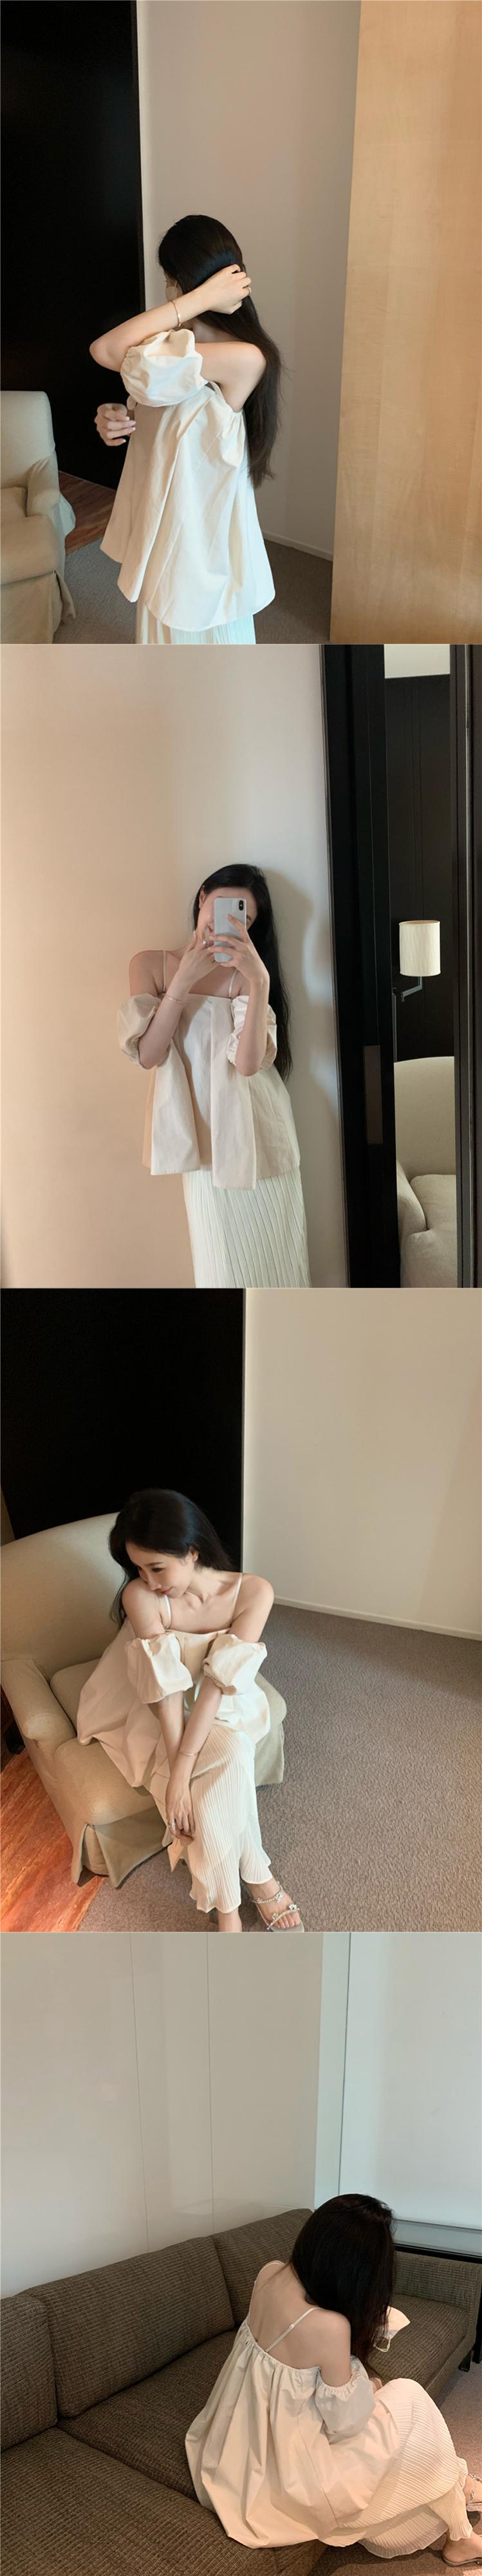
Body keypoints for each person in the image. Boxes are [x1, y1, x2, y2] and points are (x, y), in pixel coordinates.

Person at [186, 2194, 482, 2559]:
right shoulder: (329, 2326)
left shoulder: (269, 2273)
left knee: (397, 2407)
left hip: (237, 2445)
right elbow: (346, 2424)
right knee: (411, 2399)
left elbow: (285, 2371)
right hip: (287, 2473)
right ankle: (460, 2512)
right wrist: (362, 2376)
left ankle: (460, 2499)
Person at [77, 1488, 303, 1933]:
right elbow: (164, 1694)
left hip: (223, 1701)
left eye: (157, 1567)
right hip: (159, 1707)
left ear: (192, 1550)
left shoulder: (253, 1591)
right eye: (138, 1569)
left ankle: (229, 1908)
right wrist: (177, 1763)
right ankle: (253, 1885)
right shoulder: (141, 1597)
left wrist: (181, 1774)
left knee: (222, 1759)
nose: (148, 1580)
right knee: (231, 1757)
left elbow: (217, 1685)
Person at [118, 863, 311, 1289]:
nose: (231, 921)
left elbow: (247, 1065)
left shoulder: (245, 977)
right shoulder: (150, 965)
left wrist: (259, 980)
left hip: (261, 1140)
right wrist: (183, 979)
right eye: (226, 906)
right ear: (203, 896)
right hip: (204, 1147)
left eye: (245, 917)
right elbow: (148, 1055)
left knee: (282, 1272)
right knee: (220, 1273)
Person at [90, 213, 280, 643]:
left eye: (169, 280)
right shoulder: (165, 347)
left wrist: (199, 298)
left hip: (200, 539)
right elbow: (160, 411)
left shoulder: (245, 357)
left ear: (180, 283)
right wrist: (119, 415)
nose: (168, 290)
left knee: (208, 652)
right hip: (162, 527)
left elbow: (106, 350)